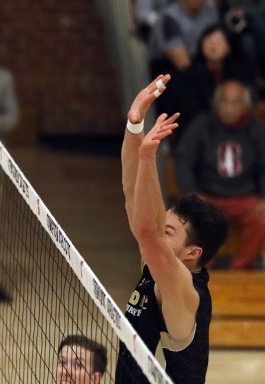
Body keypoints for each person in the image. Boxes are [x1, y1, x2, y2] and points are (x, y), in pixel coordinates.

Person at [115, 74, 229, 383]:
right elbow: (131, 191)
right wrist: (134, 126)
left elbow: (148, 231)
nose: (156, 229)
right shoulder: (157, 265)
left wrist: (149, 157)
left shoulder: (183, 289)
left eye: (169, 231)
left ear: (193, 252)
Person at [173, 79, 265, 269]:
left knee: (262, 217)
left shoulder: (256, 129)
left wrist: (263, 197)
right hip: (207, 196)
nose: (229, 108)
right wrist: (191, 192)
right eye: (224, 102)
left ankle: (240, 267)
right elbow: (184, 158)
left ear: (245, 105)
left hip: (244, 197)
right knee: (194, 223)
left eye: (235, 103)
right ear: (216, 104)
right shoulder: (202, 125)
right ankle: (204, 268)